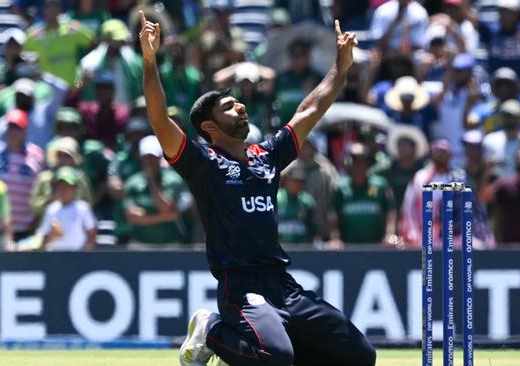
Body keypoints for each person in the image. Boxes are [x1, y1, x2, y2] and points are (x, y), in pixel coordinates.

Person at [139, 10, 375, 366]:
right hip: (242, 287)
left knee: (360, 356)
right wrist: (149, 61)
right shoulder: (202, 163)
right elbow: (159, 119)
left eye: (239, 102)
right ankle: (212, 331)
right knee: (274, 359)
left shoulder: (266, 155)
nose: (241, 106)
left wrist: (340, 69)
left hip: (283, 285)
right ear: (209, 126)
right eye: (229, 106)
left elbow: (309, 110)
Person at [123, 135, 192, 245]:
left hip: (171, 244)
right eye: (146, 157)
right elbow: (133, 218)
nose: (149, 161)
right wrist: (162, 218)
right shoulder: (132, 183)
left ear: (160, 158)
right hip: (140, 245)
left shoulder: (173, 180)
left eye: (153, 157)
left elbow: (168, 209)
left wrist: (152, 182)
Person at [0, 109, 44, 240]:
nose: (13, 132)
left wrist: (35, 225)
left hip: (25, 228)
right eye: (10, 127)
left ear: (25, 130)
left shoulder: (35, 154)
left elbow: (39, 190)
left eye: (17, 128)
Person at [330, 143, 397, 247]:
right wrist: (335, 239)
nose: (359, 165)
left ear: (368, 163)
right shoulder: (340, 187)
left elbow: (390, 213)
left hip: (376, 246)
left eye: (363, 161)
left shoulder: (380, 185)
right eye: (355, 161)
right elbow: (333, 215)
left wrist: (390, 235)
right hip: (347, 247)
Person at [24, 0, 94, 85]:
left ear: (60, 11)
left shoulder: (72, 29)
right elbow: (25, 56)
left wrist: (85, 65)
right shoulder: (34, 35)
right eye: (49, 10)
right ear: (43, 11)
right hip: (48, 88)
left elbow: (93, 42)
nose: (52, 14)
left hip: (72, 86)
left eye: (54, 10)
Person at [29, 136, 93, 216]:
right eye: (60, 155)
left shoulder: (80, 179)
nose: (63, 159)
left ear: (73, 159)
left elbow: (88, 203)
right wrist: (49, 201)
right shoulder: (45, 178)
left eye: (67, 156)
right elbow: (33, 204)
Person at [37, 166, 97, 251]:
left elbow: (91, 233)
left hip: (78, 258)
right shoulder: (51, 209)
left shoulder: (83, 208)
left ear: (75, 188)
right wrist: (52, 235)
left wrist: (84, 255)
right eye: (60, 187)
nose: (63, 190)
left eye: (67, 186)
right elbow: (44, 237)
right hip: (55, 258)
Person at [277, 166, 317, 245]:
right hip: (279, 248)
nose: (297, 184)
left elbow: (312, 229)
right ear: (287, 181)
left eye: (300, 181)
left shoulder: (307, 201)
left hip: (301, 249)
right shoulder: (276, 198)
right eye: (294, 181)